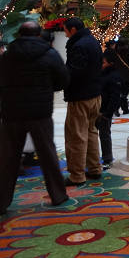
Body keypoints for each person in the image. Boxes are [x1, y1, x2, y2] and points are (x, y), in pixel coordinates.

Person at [0, 22, 70, 214]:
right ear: (39, 34)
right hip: (40, 112)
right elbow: (63, 79)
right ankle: (58, 195)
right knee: (47, 154)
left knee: (7, 157)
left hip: (12, 112)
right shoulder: (50, 54)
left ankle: (1, 201)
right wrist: (47, 88)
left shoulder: (7, 55)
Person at [63, 17, 103, 187]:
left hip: (80, 97)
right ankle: (95, 168)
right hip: (95, 95)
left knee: (76, 136)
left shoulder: (79, 45)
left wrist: (63, 79)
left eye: (66, 31)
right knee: (91, 132)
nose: (66, 35)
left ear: (72, 30)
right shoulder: (92, 40)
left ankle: (77, 175)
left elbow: (75, 73)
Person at [97, 49, 122, 171]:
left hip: (104, 112)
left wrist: (107, 113)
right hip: (96, 109)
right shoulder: (100, 74)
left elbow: (114, 97)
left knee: (104, 135)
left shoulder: (114, 77)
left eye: (103, 63)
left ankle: (107, 159)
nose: (101, 65)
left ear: (111, 63)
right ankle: (91, 158)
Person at [114, 39, 129, 115]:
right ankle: (117, 108)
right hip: (127, 74)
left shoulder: (115, 52)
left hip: (117, 74)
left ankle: (125, 108)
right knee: (124, 93)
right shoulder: (128, 51)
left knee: (121, 92)